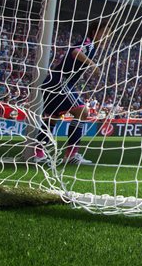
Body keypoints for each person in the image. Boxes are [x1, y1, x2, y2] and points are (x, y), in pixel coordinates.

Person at [34, 20, 110, 165]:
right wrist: (92, 64)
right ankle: (71, 154)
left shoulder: (89, 44)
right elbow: (75, 52)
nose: (107, 37)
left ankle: (38, 153)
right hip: (60, 82)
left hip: (52, 81)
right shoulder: (89, 44)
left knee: (52, 118)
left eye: (109, 34)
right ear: (95, 32)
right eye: (105, 33)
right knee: (82, 112)